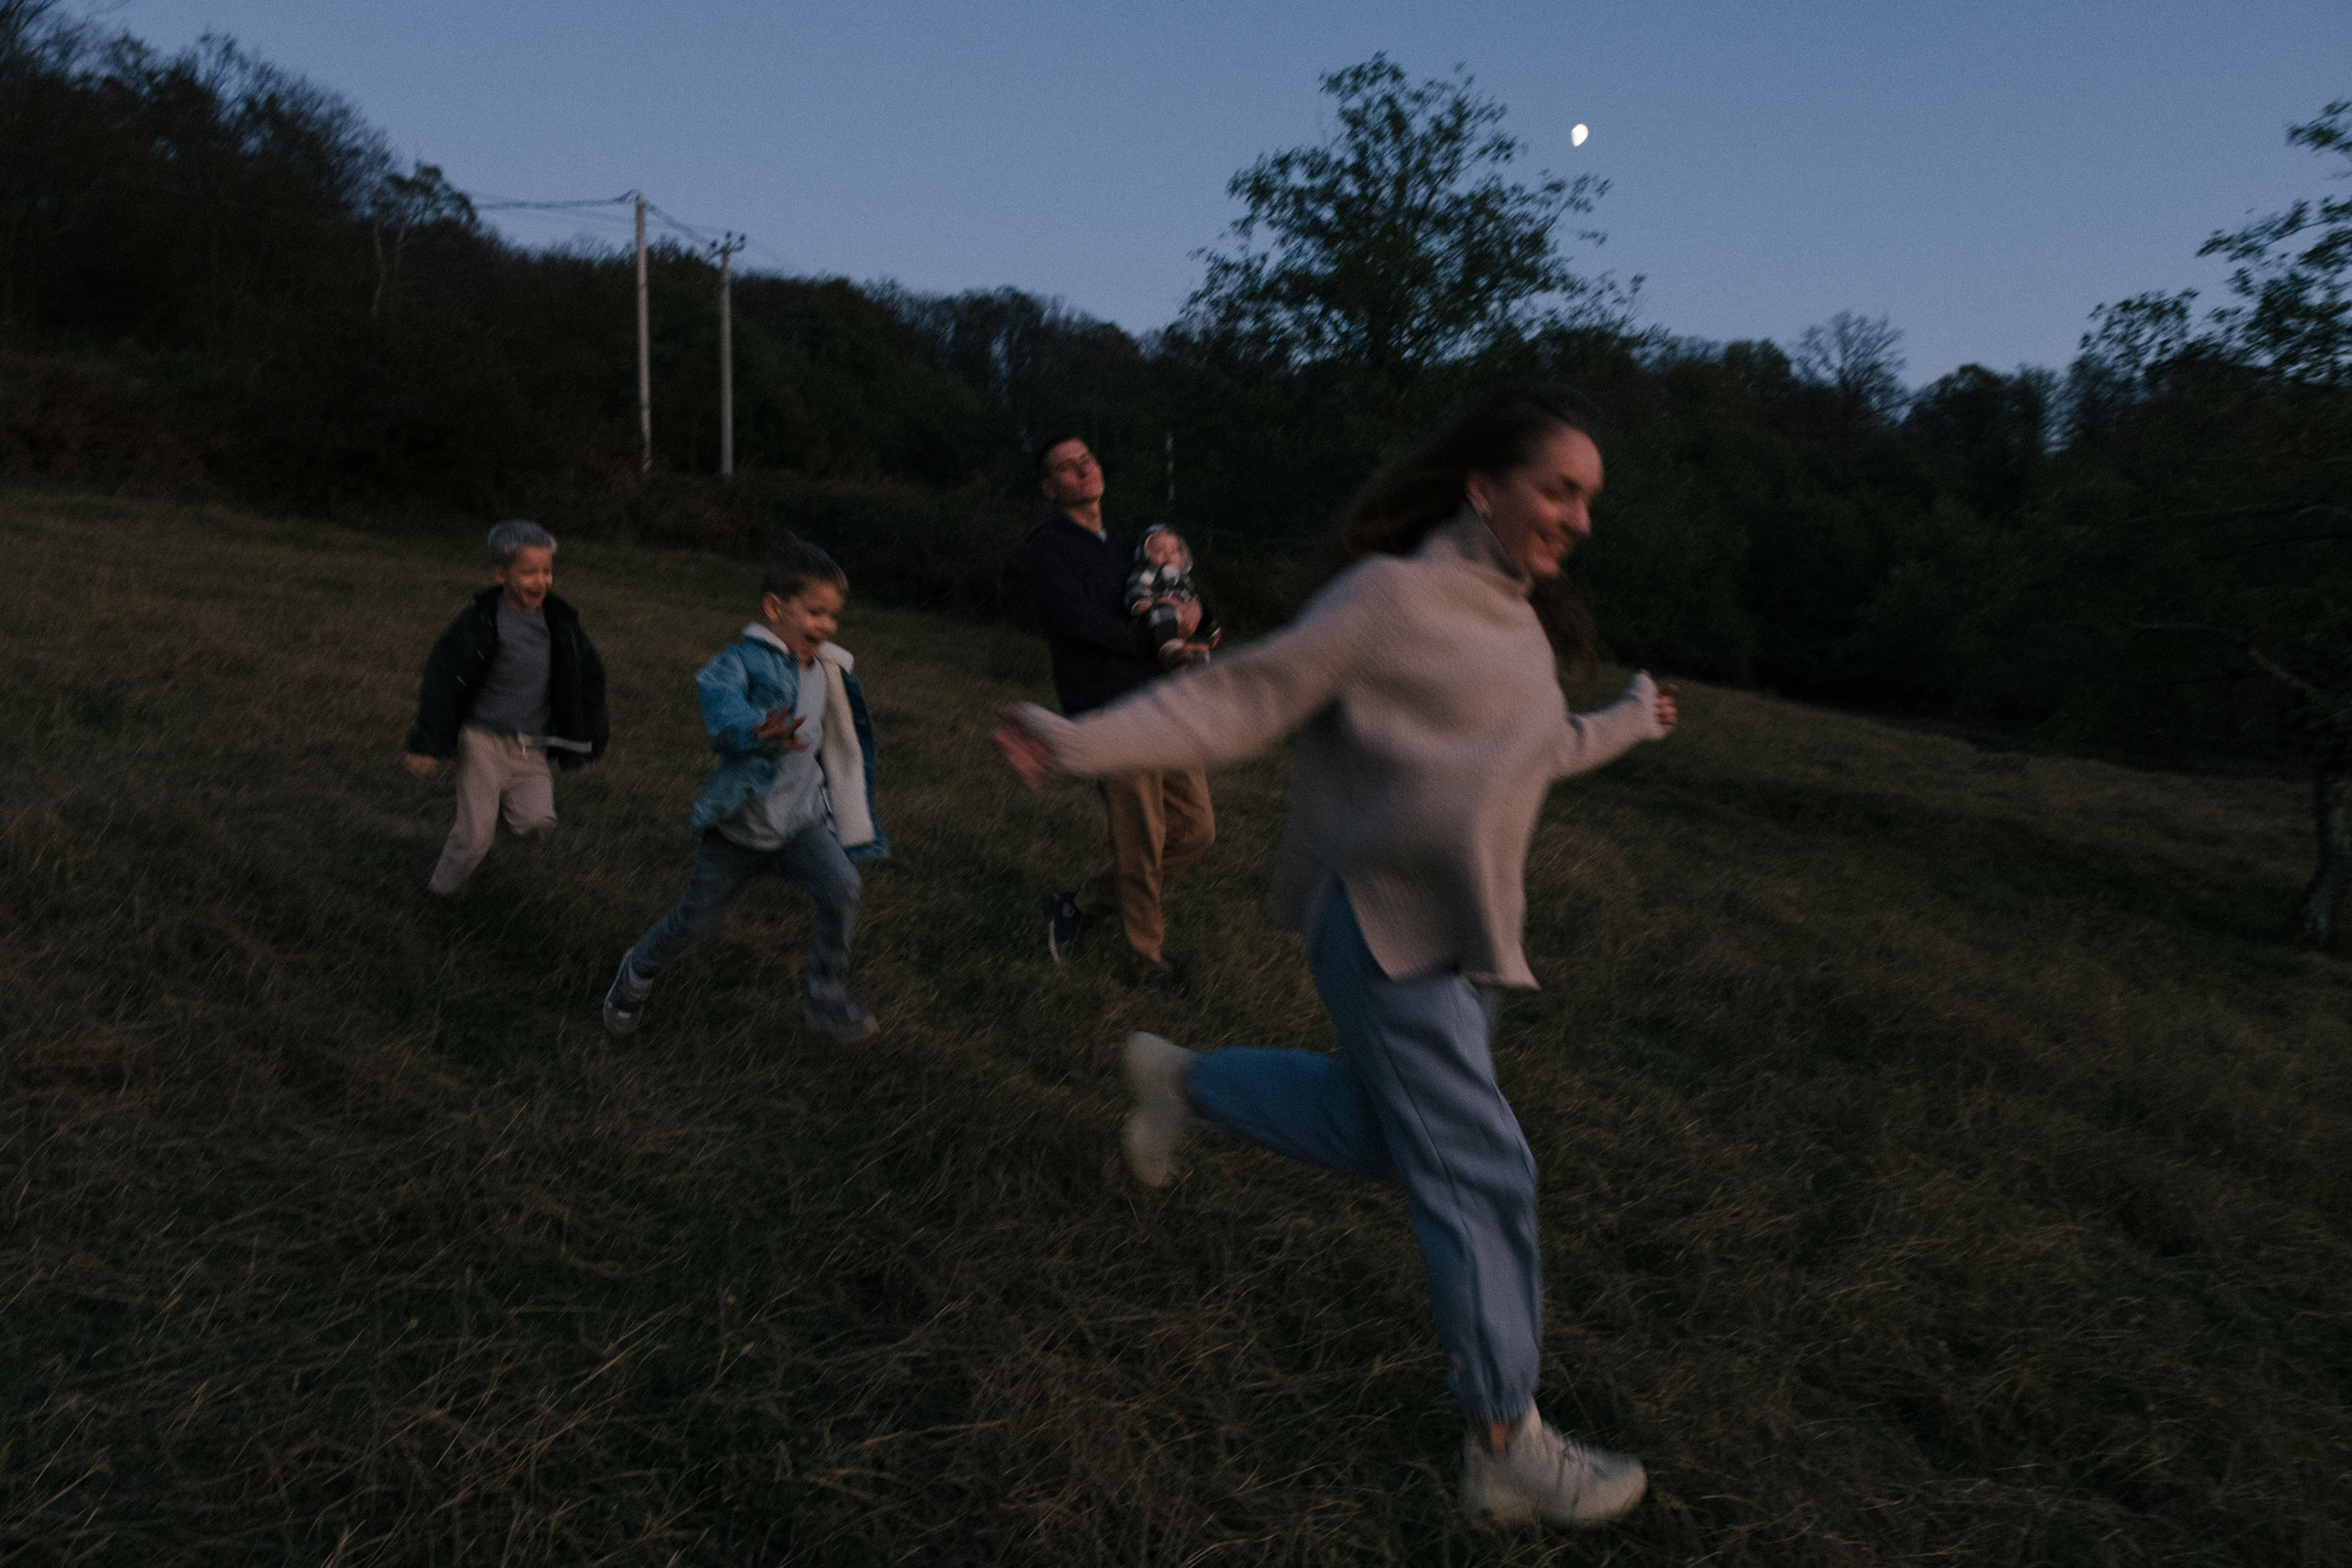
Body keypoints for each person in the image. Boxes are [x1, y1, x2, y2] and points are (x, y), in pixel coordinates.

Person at [995, 386, 1679, 1529]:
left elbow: (1530, 754)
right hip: (1384, 933)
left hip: (1458, 941)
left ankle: (1187, 1080)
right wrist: (1078, 742)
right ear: (1483, 486)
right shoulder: (1391, 599)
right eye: (1559, 488)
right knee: (1482, 1170)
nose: (1579, 518)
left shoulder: (1514, 619)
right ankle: (1504, 1438)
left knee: (1387, 1134)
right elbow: (1239, 700)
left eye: (1589, 499)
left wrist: (1629, 716)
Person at [602, 536, 888, 1043]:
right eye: (816, 613)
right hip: (739, 830)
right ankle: (637, 970)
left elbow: (838, 738)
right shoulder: (742, 661)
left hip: (798, 825)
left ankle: (824, 992)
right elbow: (719, 698)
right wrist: (754, 730)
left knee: (844, 888)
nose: (826, 626)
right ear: (774, 607)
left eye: (833, 616)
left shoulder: (827, 669)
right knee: (696, 919)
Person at [1024, 437, 1219, 989]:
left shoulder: (1130, 545)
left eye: (1086, 458)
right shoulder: (1050, 547)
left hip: (1164, 703)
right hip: (1111, 710)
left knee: (1197, 829)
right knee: (1142, 838)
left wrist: (1196, 625)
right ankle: (1148, 963)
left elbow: (1172, 592)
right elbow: (1077, 624)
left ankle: (1078, 905)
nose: (1083, 469)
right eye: (1067, 465)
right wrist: (1152, 642)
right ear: (1050, 487)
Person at [404, 518, 608, 897]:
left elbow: (589, 679)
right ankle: (437, 892)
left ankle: (500, 809)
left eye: (546, 571)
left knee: (537, 824)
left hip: (532, 746)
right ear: (501, 575)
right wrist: (427, 743)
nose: (540, 581)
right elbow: (442, 680)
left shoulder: (560, 625)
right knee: (474, 837)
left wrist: (590, 733)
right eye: (528, 572)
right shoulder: (481, 622)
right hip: (482, 741)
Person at [1125, 525, 1212, 669]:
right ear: (1145, 554)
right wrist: (1139, 602)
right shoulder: (1149, 572)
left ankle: (1195, 658)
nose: (1168, 555)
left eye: (1174, 550)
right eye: (1159, 550)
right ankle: (1171, 651)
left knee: (1195, 611)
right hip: (1154, 619)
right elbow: (1138, 586)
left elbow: (1193, 600)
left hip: (1182, 621)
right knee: (1165, 609)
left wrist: (1210, 626)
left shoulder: (1183, 579)